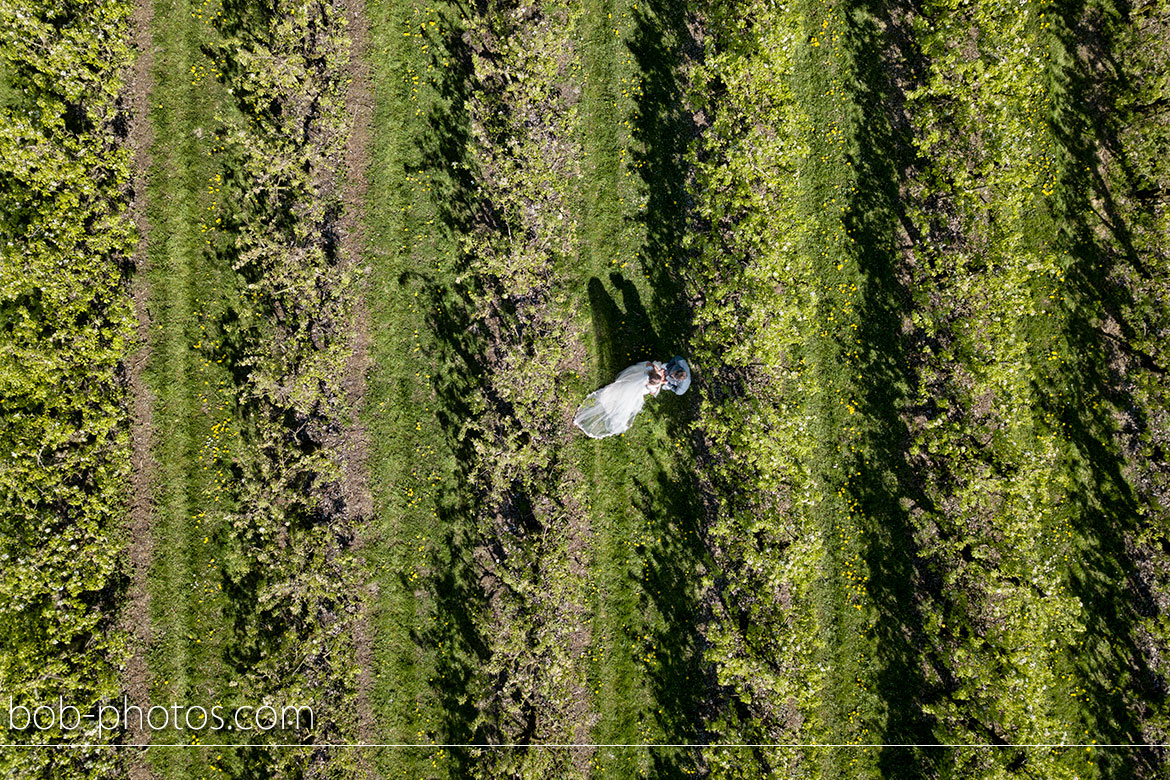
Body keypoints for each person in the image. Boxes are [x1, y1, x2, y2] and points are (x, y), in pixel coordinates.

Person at [573, 356, 691, 439]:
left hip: (646, 378)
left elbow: (648, 365)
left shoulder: (680, 388)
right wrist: (663, 375)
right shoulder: (679, 363)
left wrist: (662, 378)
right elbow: (652, 391)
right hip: (649, 384)